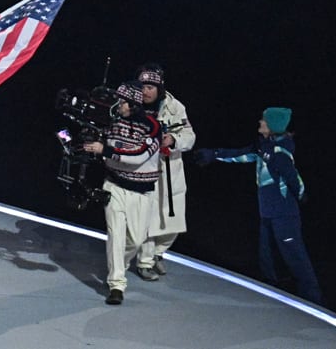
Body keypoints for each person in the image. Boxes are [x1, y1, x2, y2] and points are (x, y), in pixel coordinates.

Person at [196, 107, 316, 304]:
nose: (260, 122)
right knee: (267, 255)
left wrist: (302, 196)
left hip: (283, 214)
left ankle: (313, 298)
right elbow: (241, 154)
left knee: (295, 256)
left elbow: (294, 179)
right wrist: (214, 154)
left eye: (264, 120)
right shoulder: (264, 147)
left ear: (273, 126)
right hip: (267, 212)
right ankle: (273, 288)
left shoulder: (279, 152)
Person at [78, 73, 163, 303]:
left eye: (123, 102)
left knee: (135, 241)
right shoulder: (112, 122)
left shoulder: (153, 127)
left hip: (142, 192)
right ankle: (116, 285)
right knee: (116, 236)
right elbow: (97, 142)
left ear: (134, 104)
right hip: (114, 186)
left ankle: (119, 264)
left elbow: (138, 157)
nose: (118, 105)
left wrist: (104, 151)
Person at [132, 63, 195, 278]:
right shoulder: (131, 105)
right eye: (142, 86)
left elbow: (189, 136)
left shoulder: (175, 106)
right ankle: (145, 263)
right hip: (142, 170)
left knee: (173, 223)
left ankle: (158, 253)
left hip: (171, 172)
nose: (145, 91)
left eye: (150, 86)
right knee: (148, 221)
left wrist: (173, 139)